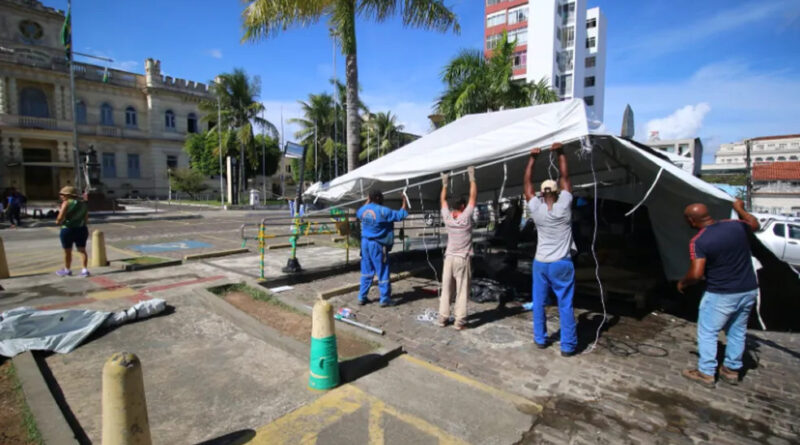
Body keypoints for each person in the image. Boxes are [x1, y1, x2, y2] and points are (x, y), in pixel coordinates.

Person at [678, 199, 760, 388]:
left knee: (708, 332)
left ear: (691, 220)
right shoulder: (736, 226)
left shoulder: (700, 241)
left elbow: (697, 273)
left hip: (721, 293)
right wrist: (740, 209)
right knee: (737, 331)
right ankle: (731, 370)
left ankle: (706, 372)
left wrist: (683, 282)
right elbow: (755, 224)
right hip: (748, 289)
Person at [523, 142, 578, 357]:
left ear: (541, 193)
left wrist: (532, 158)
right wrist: (560, 153)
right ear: (556, 192)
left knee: (539, 302)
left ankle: (540, 338)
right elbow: (565, 177)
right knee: (565, 304)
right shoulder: (564, 206)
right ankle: (567, 346)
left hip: (541, 263)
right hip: (561, 262)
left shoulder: (536, 209)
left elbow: (527, 185)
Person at [437, 166, 478, 330]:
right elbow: (474, 196)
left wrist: (444, 183)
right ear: (462, 206)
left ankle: (442, 318)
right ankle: (459, 321)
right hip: (462, 258)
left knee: (446, 288)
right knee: (461, 290)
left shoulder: (447, 218)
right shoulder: (465, 217)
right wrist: (472, 177)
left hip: (449, 258)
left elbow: (442, 200)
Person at [356, 189, 408, 307]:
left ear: (369, 198)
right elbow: (401, 215)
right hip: (378, 245)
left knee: (366, 271)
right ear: (379, 198)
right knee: (383, 271)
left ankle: (362, 297)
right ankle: (384, 299)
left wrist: (368, 201)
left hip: (365, 244)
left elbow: (359, 212)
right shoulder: (384, 211)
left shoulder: (363, 210)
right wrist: (404, 200)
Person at [55, 186, 90, 277]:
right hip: (82, 229)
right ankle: (84, 270)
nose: (61, 196)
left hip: (68, 229)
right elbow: (86, 219)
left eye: (62, 194)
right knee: (82, 250)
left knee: (67, 251)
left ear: (68, 195)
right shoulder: (83, 204)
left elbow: (60, 217)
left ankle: (67, 270)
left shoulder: (66, 203)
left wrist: (58, 221)